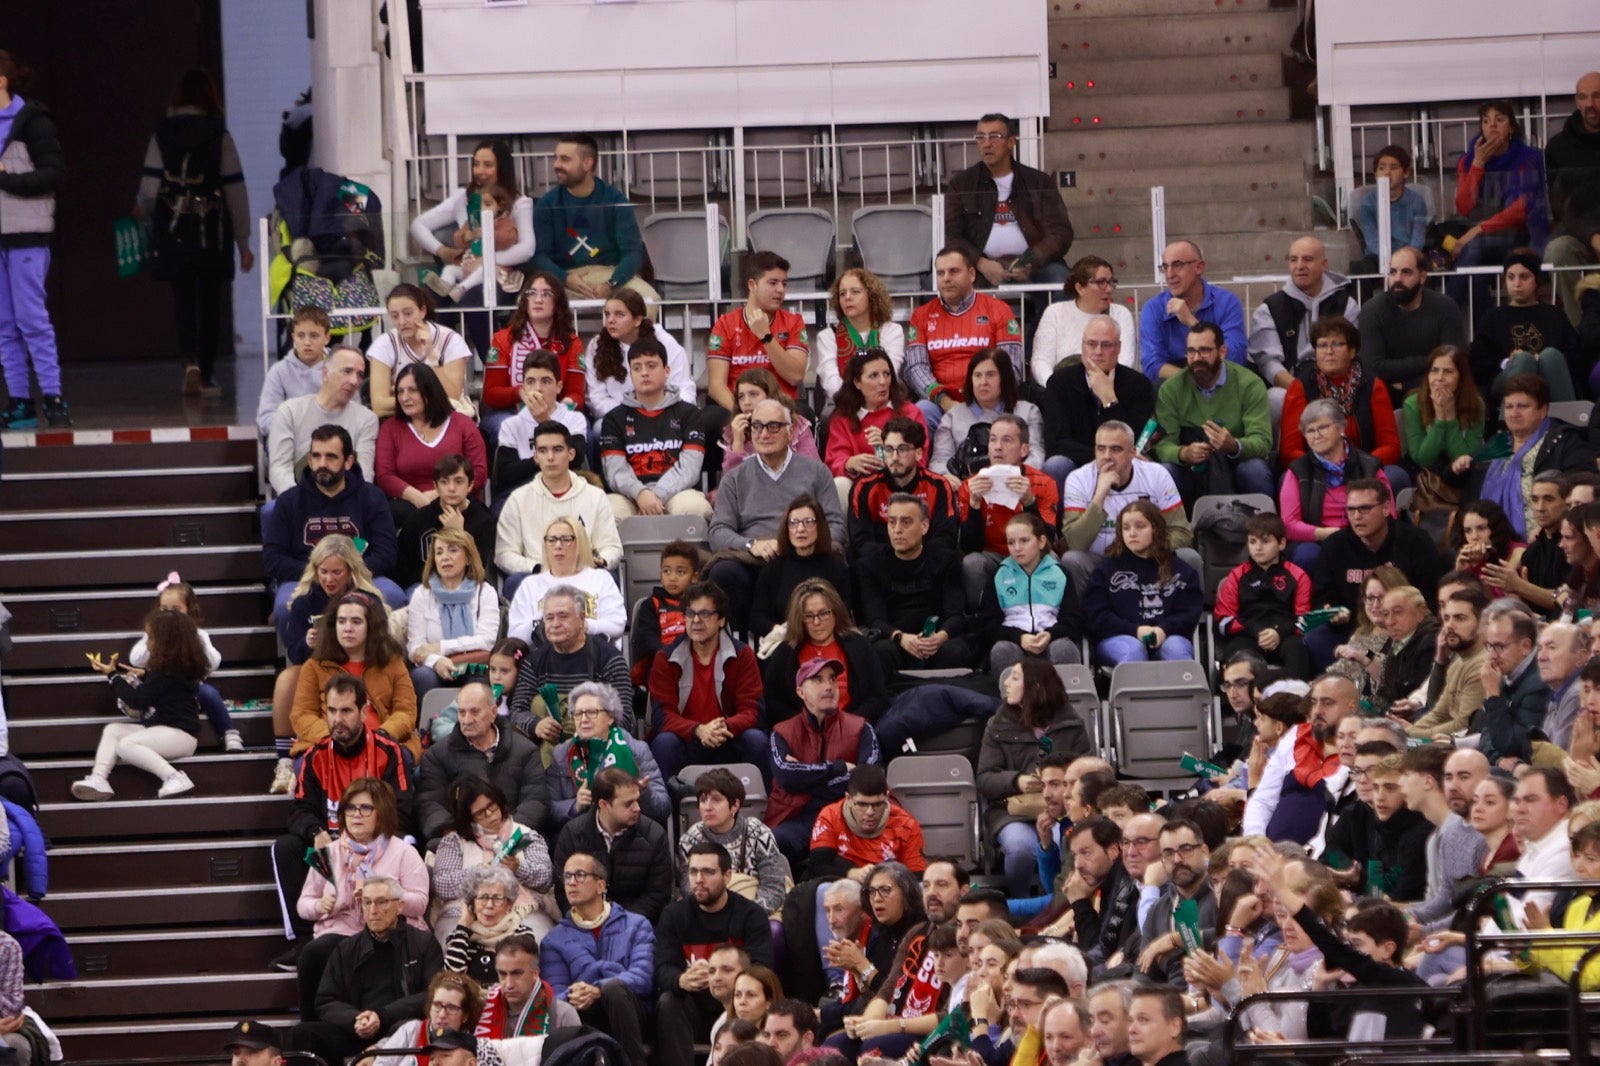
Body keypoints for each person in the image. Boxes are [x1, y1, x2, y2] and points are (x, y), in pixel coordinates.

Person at [271, 675, 412, 972]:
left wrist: (368, 842)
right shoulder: (315, 756)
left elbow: (403, 810)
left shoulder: (389, 751)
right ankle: (305, 940)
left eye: (346, 711)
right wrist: (316, 832)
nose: (338, 719)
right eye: (332, 711)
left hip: (378, 844)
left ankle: (390, 932)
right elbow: (300, 811)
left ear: (364, 712)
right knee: (287, 847)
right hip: (332, 847)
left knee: (408, 841)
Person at [136, 68, 251, 400]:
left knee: (183, 299)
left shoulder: (162, 133)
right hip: (211, 229)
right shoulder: (220, 135)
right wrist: (243, 242)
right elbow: (235, 189)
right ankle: (207, 375)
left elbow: (150, 183)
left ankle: (189, 362)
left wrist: (141, 208)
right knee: (210, 301)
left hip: (174, 228)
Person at [293, 780, 429, 1021]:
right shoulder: (329, 853)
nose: (356, 815)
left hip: (388, 933)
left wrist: (385, 894)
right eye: (350, 808)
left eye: (365, 808)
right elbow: (304, 904)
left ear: (382, 812)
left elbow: (419, 902)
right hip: (340, 932)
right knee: (315, 952)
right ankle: (312, 1026)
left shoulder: (404, 852)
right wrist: (319, 906)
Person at [707, 398, 844, 631]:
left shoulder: (816, 472)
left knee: (832, 563)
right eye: (757, 426)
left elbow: (836, 527)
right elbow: (718, 532)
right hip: (755, 559)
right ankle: (743, 641)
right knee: (724, 572)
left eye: (773, 426)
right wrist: (752, 545)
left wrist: (798, 543)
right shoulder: (735, 478)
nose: (763, 434)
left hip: (804, 555)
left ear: (790, 431)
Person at [269, 535, 387, 792]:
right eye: (323, 572)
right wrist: (307, 642)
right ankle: (285, 761)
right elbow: (295, 652)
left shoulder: (369, 600)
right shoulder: (305, 602)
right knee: (288, 678)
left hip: (364, 669)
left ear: (351, 571)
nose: (329, 579)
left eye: (336, 572)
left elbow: (383, 646)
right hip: (320, 672)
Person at [409, 138, 535, 355]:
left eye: (488, 165)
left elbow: (527, 249)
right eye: (476, 164)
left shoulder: (519, 203)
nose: (479, 171)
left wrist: (487, 260)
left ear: (502, 168)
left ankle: (492, 363)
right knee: (430, 297)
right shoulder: (463, 197)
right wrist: (444, 251)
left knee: (473, 299)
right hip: (464, 269)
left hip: (499, 277)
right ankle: (440, 361)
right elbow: (418, 225)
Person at [655, 842, 776, 1066]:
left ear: (727, 876)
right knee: (669, 1001)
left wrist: (724, 975)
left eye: (708, 872)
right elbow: (663, 968)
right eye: (693, 872)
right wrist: (681, 979)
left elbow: (762, 968)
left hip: (736, 1003)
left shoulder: (751, 915)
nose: (698, 879)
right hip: (694, 1007)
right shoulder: (674, 915)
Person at [263, 424, 402, 618]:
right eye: (316, 456)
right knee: (284, 606)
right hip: (305, 579)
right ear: (309, 460)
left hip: (361, 577)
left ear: (348, 461)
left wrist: (347, 574)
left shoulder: (372, 497)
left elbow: (386, 552)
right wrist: (320, 574)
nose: (322, 464)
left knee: (393, 596)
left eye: (331, 457)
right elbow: (273, 558)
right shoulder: (289, 501)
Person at [977, 661, 1092, 895]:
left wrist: (1060, 782)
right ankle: (1020, 901)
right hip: (1012, 811)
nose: (1006, 683)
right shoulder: (998, 725)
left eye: (1015, 678)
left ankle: (1061, 900)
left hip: (1062, 810)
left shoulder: (1070, 725)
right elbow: (985, 778)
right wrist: (1016, 781)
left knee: (1066, 842)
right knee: (1020, 848)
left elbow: (1088, 773)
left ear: (1035, 687)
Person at [1308, 479, 1445, 669]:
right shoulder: (1335, 546)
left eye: (1365, 509)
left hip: (1402, 628)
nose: (1356, 516)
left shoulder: (1415, 542)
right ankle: (1337, 681)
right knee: (1315, 636)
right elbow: (1321, 598)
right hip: (1352, 628)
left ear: (1386, 508)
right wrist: (1331, 611)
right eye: (1351, 510)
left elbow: (1430, 597)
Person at [72, 609, 208, 801]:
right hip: (167, 730)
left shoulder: (165, 673)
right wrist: (145, 674)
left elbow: (136, 700)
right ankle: (99, 778)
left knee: (126, 744)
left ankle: (174, 777)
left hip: (180, 736)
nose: (147, 643)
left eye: (150, 637)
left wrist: (113, 676)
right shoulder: (176, 669)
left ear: (166, 642)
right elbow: (164, 686)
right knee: (113, 730)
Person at [539, 850, 656, 1064]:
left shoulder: (637, 925)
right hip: (586, 1015)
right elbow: (554, 996)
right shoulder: (554, 940)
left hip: (632, 1013)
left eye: (580, 875)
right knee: (567, 1008)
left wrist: (598, 989)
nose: (571, 882)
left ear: (601, 885)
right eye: (567, 876)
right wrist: (576, 994)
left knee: (614, 990)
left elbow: (643, 977)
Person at [647, 580, 769, 783]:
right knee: (664, 743)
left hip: (728, 738)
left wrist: (723, 727)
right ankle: (668, 804)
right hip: (687, 740)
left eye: (704, 614)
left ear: (721, 620)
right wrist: (698, 730)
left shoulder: (742, 655)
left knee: (756, 740)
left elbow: (753, 712)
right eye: (690, 613)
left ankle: (766, 804)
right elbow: (662, 716)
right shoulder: (666, 658)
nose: (696, 620)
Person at [765, 658, 881, 865]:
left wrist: (806, 779)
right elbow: (786, 776)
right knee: (773, 841)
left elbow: (868, 778)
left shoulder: (861, 727)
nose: (828, 686)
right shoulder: (782, 732)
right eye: (818, 680)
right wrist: (840, 768)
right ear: (801, 692)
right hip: (799, 817)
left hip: (849, 815)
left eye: (833, 679)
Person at [945, 113, 1073, 295]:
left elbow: (1060, 233)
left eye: (994, 137)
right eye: (981, 137)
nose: (986, 144)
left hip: (1034, 265)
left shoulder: (1038, 182)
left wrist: (1028, 261)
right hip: (980, 267)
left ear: (1011, 142)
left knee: (1061, 281)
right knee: (948, 285)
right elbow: (952, 234)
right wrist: (980, 262)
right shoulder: (962, 184)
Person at [1058, 420, 1193, 593]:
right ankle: (1090, 611)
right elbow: (1075, 543)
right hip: (1099, 561)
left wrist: (1145, 551)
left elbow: (1182, 532)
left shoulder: (1157, 474)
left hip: (1150, 558)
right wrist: (1099, 497)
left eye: (1116, 449)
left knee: (1190, 557)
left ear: (1132, 452)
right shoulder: (1078, 479)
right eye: (1101, 449)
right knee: (1072, 560)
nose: (1107, 456)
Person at [1150, 320, 1275, 501]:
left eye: (1204, 350)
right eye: (1191, 351)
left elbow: (1262, 441)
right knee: (1166, 471)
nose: (1196, 358)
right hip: (1191, 466)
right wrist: (1184, 453)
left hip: (1235, 462)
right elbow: (1162, 446)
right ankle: (1176, 520)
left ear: (1222, 352)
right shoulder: (1171, 389)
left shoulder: (1249, 384)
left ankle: (1263, 519)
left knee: (1254, 469)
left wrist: (1234, 445)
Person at [291, 591, 422, 762]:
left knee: (397, 759)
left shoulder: (393, 663)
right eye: (341, 621)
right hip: (328, 744)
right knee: (309, 763)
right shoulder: (314, 666)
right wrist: (334, 737)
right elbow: (302, 715)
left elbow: (405, 711)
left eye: (356, 621)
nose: (347, 628)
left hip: (383, 744)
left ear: (370, 627)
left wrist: (380, 736)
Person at [903, 244, 1024, 428]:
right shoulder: (921, 316)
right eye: (941, 273)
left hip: (990, 403)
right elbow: (916, 368)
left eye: (954, 271)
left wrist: (978, 403)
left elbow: (1012, 368)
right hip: (942, 405)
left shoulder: (999, 310)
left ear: (972, 274)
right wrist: (944, 401)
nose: (946, 278)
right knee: (921, 410)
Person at [856, 493, 975, 679]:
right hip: (895, 640)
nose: (897, 530)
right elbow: (875, 618)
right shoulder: (870, 564)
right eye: (892, 522)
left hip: (936, 641)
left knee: (957, 651)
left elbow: (955, 613)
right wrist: (901, 637)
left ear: (924, 526)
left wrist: (940, 637)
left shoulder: (946, 560)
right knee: (879, 652)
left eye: (906, 522)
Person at [415, 680, 549, 844]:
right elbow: (429, 804)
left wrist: (507, 830)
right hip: (461, 840)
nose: (467, 720)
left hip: (514, 837)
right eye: (462, 712)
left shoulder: (526, 751)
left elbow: (536, 800)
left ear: (493, 712)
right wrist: (461, 834)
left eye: (474, 712)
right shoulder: (437, 755)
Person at [430, 771, 554, 948]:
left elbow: (545, 878)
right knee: (448, 943)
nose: (490, 814)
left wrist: (518, 868)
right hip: (463, 914)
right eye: (480, 813)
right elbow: (442, 884)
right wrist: (480, 873)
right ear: (468, 818)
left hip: (520, 912)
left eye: (492, 806)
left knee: (540, 941)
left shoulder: (526, 835)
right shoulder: (454, 841)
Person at [1449, 99, 1552, 310]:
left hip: (1524, 235)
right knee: (1476, 275)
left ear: (1511, 127)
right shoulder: (1468, 160)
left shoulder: (1529, 157)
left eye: (1500, 119)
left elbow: (1520, 209)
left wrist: (1477, 230)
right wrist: (1478, 165)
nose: (1492, 125)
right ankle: (1480, 328)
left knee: (1474, 248)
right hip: (1486, 239)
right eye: (1486, 121)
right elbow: (1464, 207)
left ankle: (1445, 311)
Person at [494, 421, 622, 590]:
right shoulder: (518, 499)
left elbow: (612, 546)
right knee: (515, 583)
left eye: (557, 449)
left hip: (584, 574)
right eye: (543, 450)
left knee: (608, 578)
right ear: (536, 456)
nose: (550, 457)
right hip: (538, 577)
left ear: (571, 454)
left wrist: (602, 560)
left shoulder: (595, 496)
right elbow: (504, 554)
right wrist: (537, 567)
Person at [532, 132, 656, 301]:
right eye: (556, 158)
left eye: (565, 159)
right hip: (563, 278)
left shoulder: (616, 200)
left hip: (609, 273)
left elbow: (633, 253)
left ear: (587, 163)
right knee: (528, 302)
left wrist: (611, 284)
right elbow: (540, 256)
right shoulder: (547, 204)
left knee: (649, 299)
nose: (556, 165)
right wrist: (565, 278)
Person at [599, 334, 710, 521]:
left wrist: (656, 495)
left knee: (694, 508)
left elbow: (690, 469)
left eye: (651, 366)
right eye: (637, 368)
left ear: (667, 370)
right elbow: (615, 471)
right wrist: (640, 494)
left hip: (677, 492)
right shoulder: (613, 419)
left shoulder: (689, 413)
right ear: (630, 374)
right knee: (608, 511)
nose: (644, 373)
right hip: (631, 496)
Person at [1473, 374, 1597, 541]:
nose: (1514, 413)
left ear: (1543, 410)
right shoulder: (1496, 444)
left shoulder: (1566, 443)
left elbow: (1583, 489)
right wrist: (1457, 467)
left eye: (1522, 406)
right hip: (1490, 540)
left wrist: (1549, 527)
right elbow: (1463, 486)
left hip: (1547, 538)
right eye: (1509, 407)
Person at [1278, 397, 1394, 572]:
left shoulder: (1369, 466)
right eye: (1310, 431)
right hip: (1320, 541)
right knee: (1307, 554)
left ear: (1341, 428)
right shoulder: (1298, 471)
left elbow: (1389, 513)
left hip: (1365, 537)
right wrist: (1325, 534)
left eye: (1323, 427)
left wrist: (1360, 534)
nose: (1316, 436)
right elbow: (1289, 524)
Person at [506, 584, 634, 742]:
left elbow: (624, 718)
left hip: (599, 745)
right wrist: (536, 725)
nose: (555, 624)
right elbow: (517, 712)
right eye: (549, 618)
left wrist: (583, 740)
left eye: (563, 616)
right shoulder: (535, 661)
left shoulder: (609, 659)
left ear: (582, 619)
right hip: (546, 746)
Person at [1278, 317, 1402, 479]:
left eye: (1337, 344)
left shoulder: (1373, 386)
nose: (1329, 351)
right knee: (1287, 478)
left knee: (1396, 475)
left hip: (1364, 470)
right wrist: (1325, 466)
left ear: (1352, 351)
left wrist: (1359, 465)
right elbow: (1289, 451)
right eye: (1322, 345)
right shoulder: (1300, 387)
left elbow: (1391, 446)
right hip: (1316, 472)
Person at [1249, 236, 1360, 413]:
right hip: (1291, 386)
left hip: (1338, 383)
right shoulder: (1269, 309)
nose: (1299, 266)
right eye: (1293, 260)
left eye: (1307, 259)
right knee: (1274, 399)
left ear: (1324, 264)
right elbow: (1269, 363)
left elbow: (1350, 356)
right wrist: (1303, 391)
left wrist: (1327, 389)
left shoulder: (1347, 305)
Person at [957, 412, 1059, 606]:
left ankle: (1045, 612)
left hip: (1030, 554)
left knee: (1051, 558)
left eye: (1006, 440)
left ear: (1024, 449)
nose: (997, 447)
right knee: (972, 562)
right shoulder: (971, 485)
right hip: (992, 557)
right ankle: (980, 617)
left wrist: (1029, 501)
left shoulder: (1044, 483)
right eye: (993, 439)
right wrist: (974, 505)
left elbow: (1047, 542)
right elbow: (969, 548)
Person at [1083, 500, 1202, 665]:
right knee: (1133, 651)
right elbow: (1096, 616)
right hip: (1119, 638)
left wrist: (1164, 629)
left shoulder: (1181, 570)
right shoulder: (1106, 570)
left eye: (1140, 526)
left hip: (1168, 636)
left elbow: (1189, 612)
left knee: (1175, 650)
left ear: (1155, 528)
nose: (1132, 533)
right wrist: (1135, 630)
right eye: (1126, 528)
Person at [1041, 314, 1153, 486]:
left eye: (1106, 345)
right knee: (1056, 464)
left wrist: (1109, 401)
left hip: (1123, 466)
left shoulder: (1139, 384)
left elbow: (1133, 442)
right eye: (1092, 344)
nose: (1098, 352)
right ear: (1082, 346)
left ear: (1119, 347)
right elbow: (1055, 442)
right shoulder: (1060, 382)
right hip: (1076, 463)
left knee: (1150, 466)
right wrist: (1100, 458)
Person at [375, 363, 488, 529]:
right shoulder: (390, 428)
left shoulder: (462, 424)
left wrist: (440, 495)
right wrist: (418, 498)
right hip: (409, 506)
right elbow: (384, 475)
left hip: (457, 500)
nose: (404, 398)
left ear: (429, 390)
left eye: (412, 390)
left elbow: (479, 472)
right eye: (400, 391)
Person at [762, 578, 888, 726]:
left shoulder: (859, 645)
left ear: (836, 612)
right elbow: (774, 703)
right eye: (809, 616)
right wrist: (811, 726)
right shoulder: (786, 652)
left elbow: (878, 696)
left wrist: (847, 724)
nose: (817, 622)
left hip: (854, 727)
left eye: (823, 613)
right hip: (803, 732)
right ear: (799, 619)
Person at [551, 768, 672, 921]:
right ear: (604, 804)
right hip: (583, 923)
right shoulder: (572, 835)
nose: (637, 808)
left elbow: (657, 895)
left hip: (635, 925)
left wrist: (620, 923)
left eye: (637, 800)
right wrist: (589, 921)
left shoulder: (654, 836)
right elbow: (563, 890)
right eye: (628, 804)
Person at [133, 575, 237, 751]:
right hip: (162, 687)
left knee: (209, 693)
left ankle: (228, 733)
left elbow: (213, 662)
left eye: (176, 609)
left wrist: (194, 644)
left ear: (189, 610)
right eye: (164, 609)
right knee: (149, 693)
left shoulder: (198, 634)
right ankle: (150, 727)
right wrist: (153, 643)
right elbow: (136, 659)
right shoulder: (153, 636)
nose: (170, 614)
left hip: (188, 688)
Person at [549, 681, 670, 828]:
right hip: (580, 834)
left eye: (592, 712)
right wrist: (575, 805)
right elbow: (548, 809)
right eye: (578, 713)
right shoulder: (562, 754)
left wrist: (643, 793)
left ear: (611, 717)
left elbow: (663, 809)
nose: (584, 719)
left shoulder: (636, 750)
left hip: (630, 834)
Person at [845, 416, 960, 566]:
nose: (894, 457)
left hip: (927, 566)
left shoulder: (939, 485)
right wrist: (897, 557)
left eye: (902, 449)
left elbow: (945, 538)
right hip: (881, 566)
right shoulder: (864, 488)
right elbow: (861, 542)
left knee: (951, 559)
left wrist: (912, 556)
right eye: (888, 449)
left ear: (918, 453)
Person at [484, 272, 586, 443]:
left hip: (557, 409)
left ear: (558, 302)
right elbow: (490, 394)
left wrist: (562, 409)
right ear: (525, 300)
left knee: (583, 428)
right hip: (510, 411)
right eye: (532, 293)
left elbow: (576, 394)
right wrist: (520, 393)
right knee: (503, 425)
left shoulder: (571, 342)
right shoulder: (503, 339)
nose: (538, 300)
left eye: (546, 294)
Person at [1357, 246, 1468, 402]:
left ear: (1422, 277)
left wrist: (1407, 385)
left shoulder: (1445, 307)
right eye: (1393, 272)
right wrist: (1428, 360)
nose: (1397, 279)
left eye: (1406, 272)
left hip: (1438, 394)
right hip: (1387, 398)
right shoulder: (1372, 310)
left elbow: (1455, 362)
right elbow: (1374, 368)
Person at [708, 250, 809, 420]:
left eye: (784, 284)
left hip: (781, 408)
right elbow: (716, 386)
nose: (781, 290)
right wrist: (745, 412)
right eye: (773, 283)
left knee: (806, 414)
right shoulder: (725, 324)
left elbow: (795, 376)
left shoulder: (793, 322)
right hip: (740, 408)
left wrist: (766, 336)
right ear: (752, 285)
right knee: (710, 418)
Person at [676, 768, 790, 917]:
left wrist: (746, 916)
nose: (708, 807)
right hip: (708, 912)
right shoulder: (690, 839)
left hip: (754, 910)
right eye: (703, 800)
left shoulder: (759, 833)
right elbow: (688, 888)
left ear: (735, 805)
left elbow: (773, 886)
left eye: (716, 800)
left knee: (774, 928)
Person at [1470, 250, 1582, 402]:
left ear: (1537, 280)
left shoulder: (1554, 315)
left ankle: (1566, 416)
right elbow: (1479, 363)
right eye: (1511, 277)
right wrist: (1507, 362)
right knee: (1523, 360)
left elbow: (1575, 356)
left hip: (1549, 377)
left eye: (1524, 277)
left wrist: (1541, 360)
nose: (1517, 284)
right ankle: (1512, 414)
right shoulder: (1493, 317)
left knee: (1550, 355)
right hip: (1505, 382)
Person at [979, 513, 1084, 673]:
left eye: (1024, 540)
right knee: (1002, 650)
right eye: (1011, 542)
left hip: (1051, 638)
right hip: (1013, 641)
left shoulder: (1060, 574)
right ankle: (1009, 690)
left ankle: (1066, 690)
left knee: (1064, 649)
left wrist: (1050, 634)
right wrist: (1019, 637)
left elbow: (1074, 620)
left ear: (1041, 542)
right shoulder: (999, 575)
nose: (1017, 548)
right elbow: (986, 625)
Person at [266, 347, 377, 497]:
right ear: (325, 374)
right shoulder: (289, 411)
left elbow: (365, 473)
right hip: (299, 497)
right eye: (347, 371)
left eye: (360, 375)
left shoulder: (367, 419)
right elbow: (279, 468)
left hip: (347, 500)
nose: (354, 381)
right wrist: (299, 500)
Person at [929, 346, 1046, 487]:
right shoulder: (952, 417)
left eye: (990, 375)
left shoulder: (1028, 411)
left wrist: (1012, 477)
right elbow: (939, 461)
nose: (983, 382)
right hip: (966, 489)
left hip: (1016, 485)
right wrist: (946, 477)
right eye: (977, 375)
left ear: (1004, 378)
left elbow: (1036, 456)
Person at [1214, 512, 1313, 676]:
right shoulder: (1236, 576)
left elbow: (1305, 619)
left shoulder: (1298, 576)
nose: (1258, 548)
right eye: (1252, 541)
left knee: (1298, 648)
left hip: (1286, 637)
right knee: (1234, 650)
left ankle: (1298, 692)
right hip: (1248, 636)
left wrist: (1278, 632)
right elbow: (1223, 622)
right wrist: (1256, 630)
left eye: (1265, 541)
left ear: (1281, 543)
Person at [824, 347, 928, 502]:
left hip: (903, 485)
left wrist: (890, 446)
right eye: (874, 376)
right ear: (857, 382)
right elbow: (834, 460)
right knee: (840, 484)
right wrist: (849, 464)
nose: (883, 382)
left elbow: (921, 460)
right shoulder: (843, 417)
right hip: (861, 490)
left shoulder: (911, 412)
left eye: (886, 374)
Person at [403, 528, 498, 698]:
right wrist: (436, 661)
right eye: (439, 552)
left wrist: (441, 647)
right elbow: (415, 647)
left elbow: (487, 640)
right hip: (435, 667)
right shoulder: (422, 594)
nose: (445, 557)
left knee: (480, 677)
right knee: (422, 676)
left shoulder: (485, 592)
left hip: (472, 665)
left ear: (468, 557)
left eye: (453, 550)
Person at [506, 517, 626, 648]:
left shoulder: (601, 578)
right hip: (544, 656)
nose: (558, 545)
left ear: (580, 544)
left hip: (593, 654)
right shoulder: (530, 585)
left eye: (566, 539)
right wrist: (542, 621)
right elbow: (515, 637)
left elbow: (617, 624)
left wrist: (582, 626)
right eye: (552, 540)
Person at [585, 288, 696, 426]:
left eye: (619, 314)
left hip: (665, 415)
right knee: (599, 427)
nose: (610, 320)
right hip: (621, 418)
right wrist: (635, 413)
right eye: (607, 314)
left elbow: (685, 390)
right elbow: (597, 400)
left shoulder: (664, 341)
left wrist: (656, 411)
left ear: (637, 319)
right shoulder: (597, 346)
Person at [1139, 240, 1246, 382]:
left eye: (1177, 265)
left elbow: (1236, 358)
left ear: (1199, 267)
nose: (1169, 275)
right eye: (1165, 267)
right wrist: (1195, 381)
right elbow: (1152, 364)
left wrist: (1193, 323)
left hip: (1220, 377)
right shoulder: (1154, 308)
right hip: (1176, 381)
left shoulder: (1226, 302)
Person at [749, 495, 851, 641]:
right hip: (786, 641)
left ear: (820, 526)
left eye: (808, 522)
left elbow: (844, 615)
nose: (800, 529)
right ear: (786, 528)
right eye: (794, 523)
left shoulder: (837, 568)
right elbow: (757, 618)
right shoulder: (773, 569)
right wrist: (779, 630)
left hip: (827, 640)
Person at [492, 349, 590, 501]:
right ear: (523, 388)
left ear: (559, 387)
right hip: (522, 494)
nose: (538, 388)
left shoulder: (574, 419)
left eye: (545, 381)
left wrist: (545, 422)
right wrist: (543, 460)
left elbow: (575, 461)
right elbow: (506, 475)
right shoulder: (511, 425)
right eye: (531, 382)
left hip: (564, 492)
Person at [366, 284, 473, 419]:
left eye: (408, 314)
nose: (402, 322)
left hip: (443, 418)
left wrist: (431, 355)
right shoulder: (384, 343)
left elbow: (452, 396)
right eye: (395, 316)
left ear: (422, 311)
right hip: (403, 418)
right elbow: (379, 404)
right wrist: (425, 399)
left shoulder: (451, 340)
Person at [1544, 72, 1600, 326]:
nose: (1590, 104)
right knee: (1557, 251)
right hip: (1580, 234)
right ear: (1576, 101)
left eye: (1597, 96)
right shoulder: (1558, 147)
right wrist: (1593, 235)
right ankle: (1580, 329)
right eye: (1583, 97)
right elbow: (1561, 206)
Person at [805, 765, 926, 881]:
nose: (870, 812)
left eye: (877, 804)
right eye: (862, 804)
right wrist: (852, 872)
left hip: (890, 886)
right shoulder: (830, 816)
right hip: (844, 884)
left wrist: (881, 879)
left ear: (887, 798)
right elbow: (819, 864)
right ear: (848, 799)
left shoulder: (907, 824)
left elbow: (916, 875)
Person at [395, 453, 497, 590]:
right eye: (444, 482)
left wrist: (459, 535)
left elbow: (480, 571)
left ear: (470, 485)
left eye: (459, 481)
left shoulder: (483, 521)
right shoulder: (418, 520)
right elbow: (402, 570)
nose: (451, 488)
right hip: (424, 587)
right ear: (436, 486)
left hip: (467, 588)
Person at [1400, 586, 1490, 741]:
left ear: (1483, 623)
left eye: (1460, 618)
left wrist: (1412, 734)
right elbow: (1439, 714)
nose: (1449, 625)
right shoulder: (1458, 662)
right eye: (1447, 618)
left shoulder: (1483, 665)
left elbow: (1464, 725)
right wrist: (1409, 732)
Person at [1032, 256, 1139, 384]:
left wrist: (1102, 387)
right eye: (1101, 282)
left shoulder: (1121, 314)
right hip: (1062, 388)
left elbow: (1125, 361)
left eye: (1111, 282)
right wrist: (1055, 387)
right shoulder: (1055, 313)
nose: (1109, 289)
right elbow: (1041, 361)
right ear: (1080, 288)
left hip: (1108, 388)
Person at [814, 268, 906, 404]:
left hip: (884, 404)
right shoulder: (827, 336)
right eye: (842, 294)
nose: (847, 297)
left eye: (855, 292)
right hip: (844, 405)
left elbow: (890, 374)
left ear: (871, 296)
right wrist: (861, 405)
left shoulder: (892, 331)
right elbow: (831, 384)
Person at [1399, 344, 1485, 488]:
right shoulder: (1412, 404)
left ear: (1461, 376)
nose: (1439, 378)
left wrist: (1450, 415)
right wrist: (1439, 418)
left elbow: (1465, 459)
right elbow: (1423, 459)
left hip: (1462, 474)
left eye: (1448, 372)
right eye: (1434, 370)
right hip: (1424, 473)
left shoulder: (1476, 405)